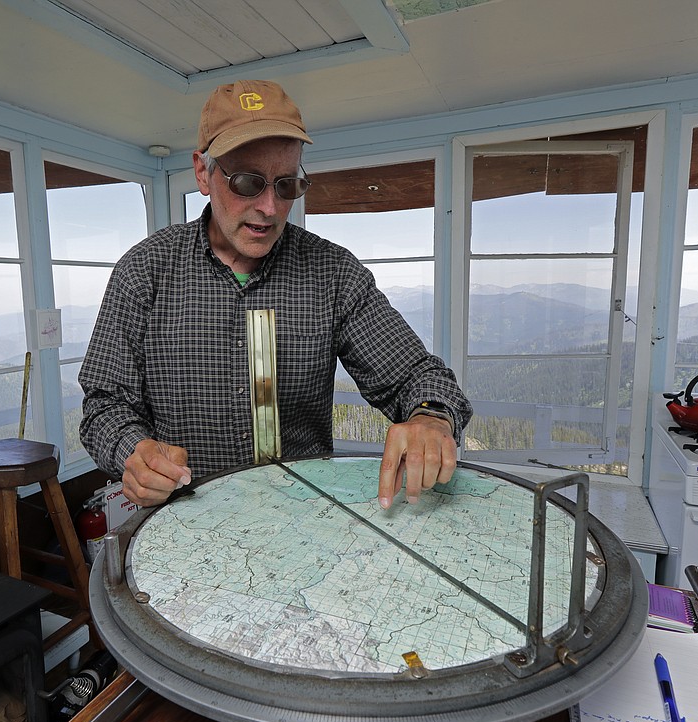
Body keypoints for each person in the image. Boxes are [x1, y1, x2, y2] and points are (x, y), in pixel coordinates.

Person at [79, 80, 472, 510]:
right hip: (183, 524)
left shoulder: (332, 272)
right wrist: (132, 452)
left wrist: (430, 417)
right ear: (202, 172)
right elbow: (104, 405)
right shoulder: (144, 272)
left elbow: (417, 377)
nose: (269, 207)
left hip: (303, 525)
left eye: (286, 185)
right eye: (248, 183)